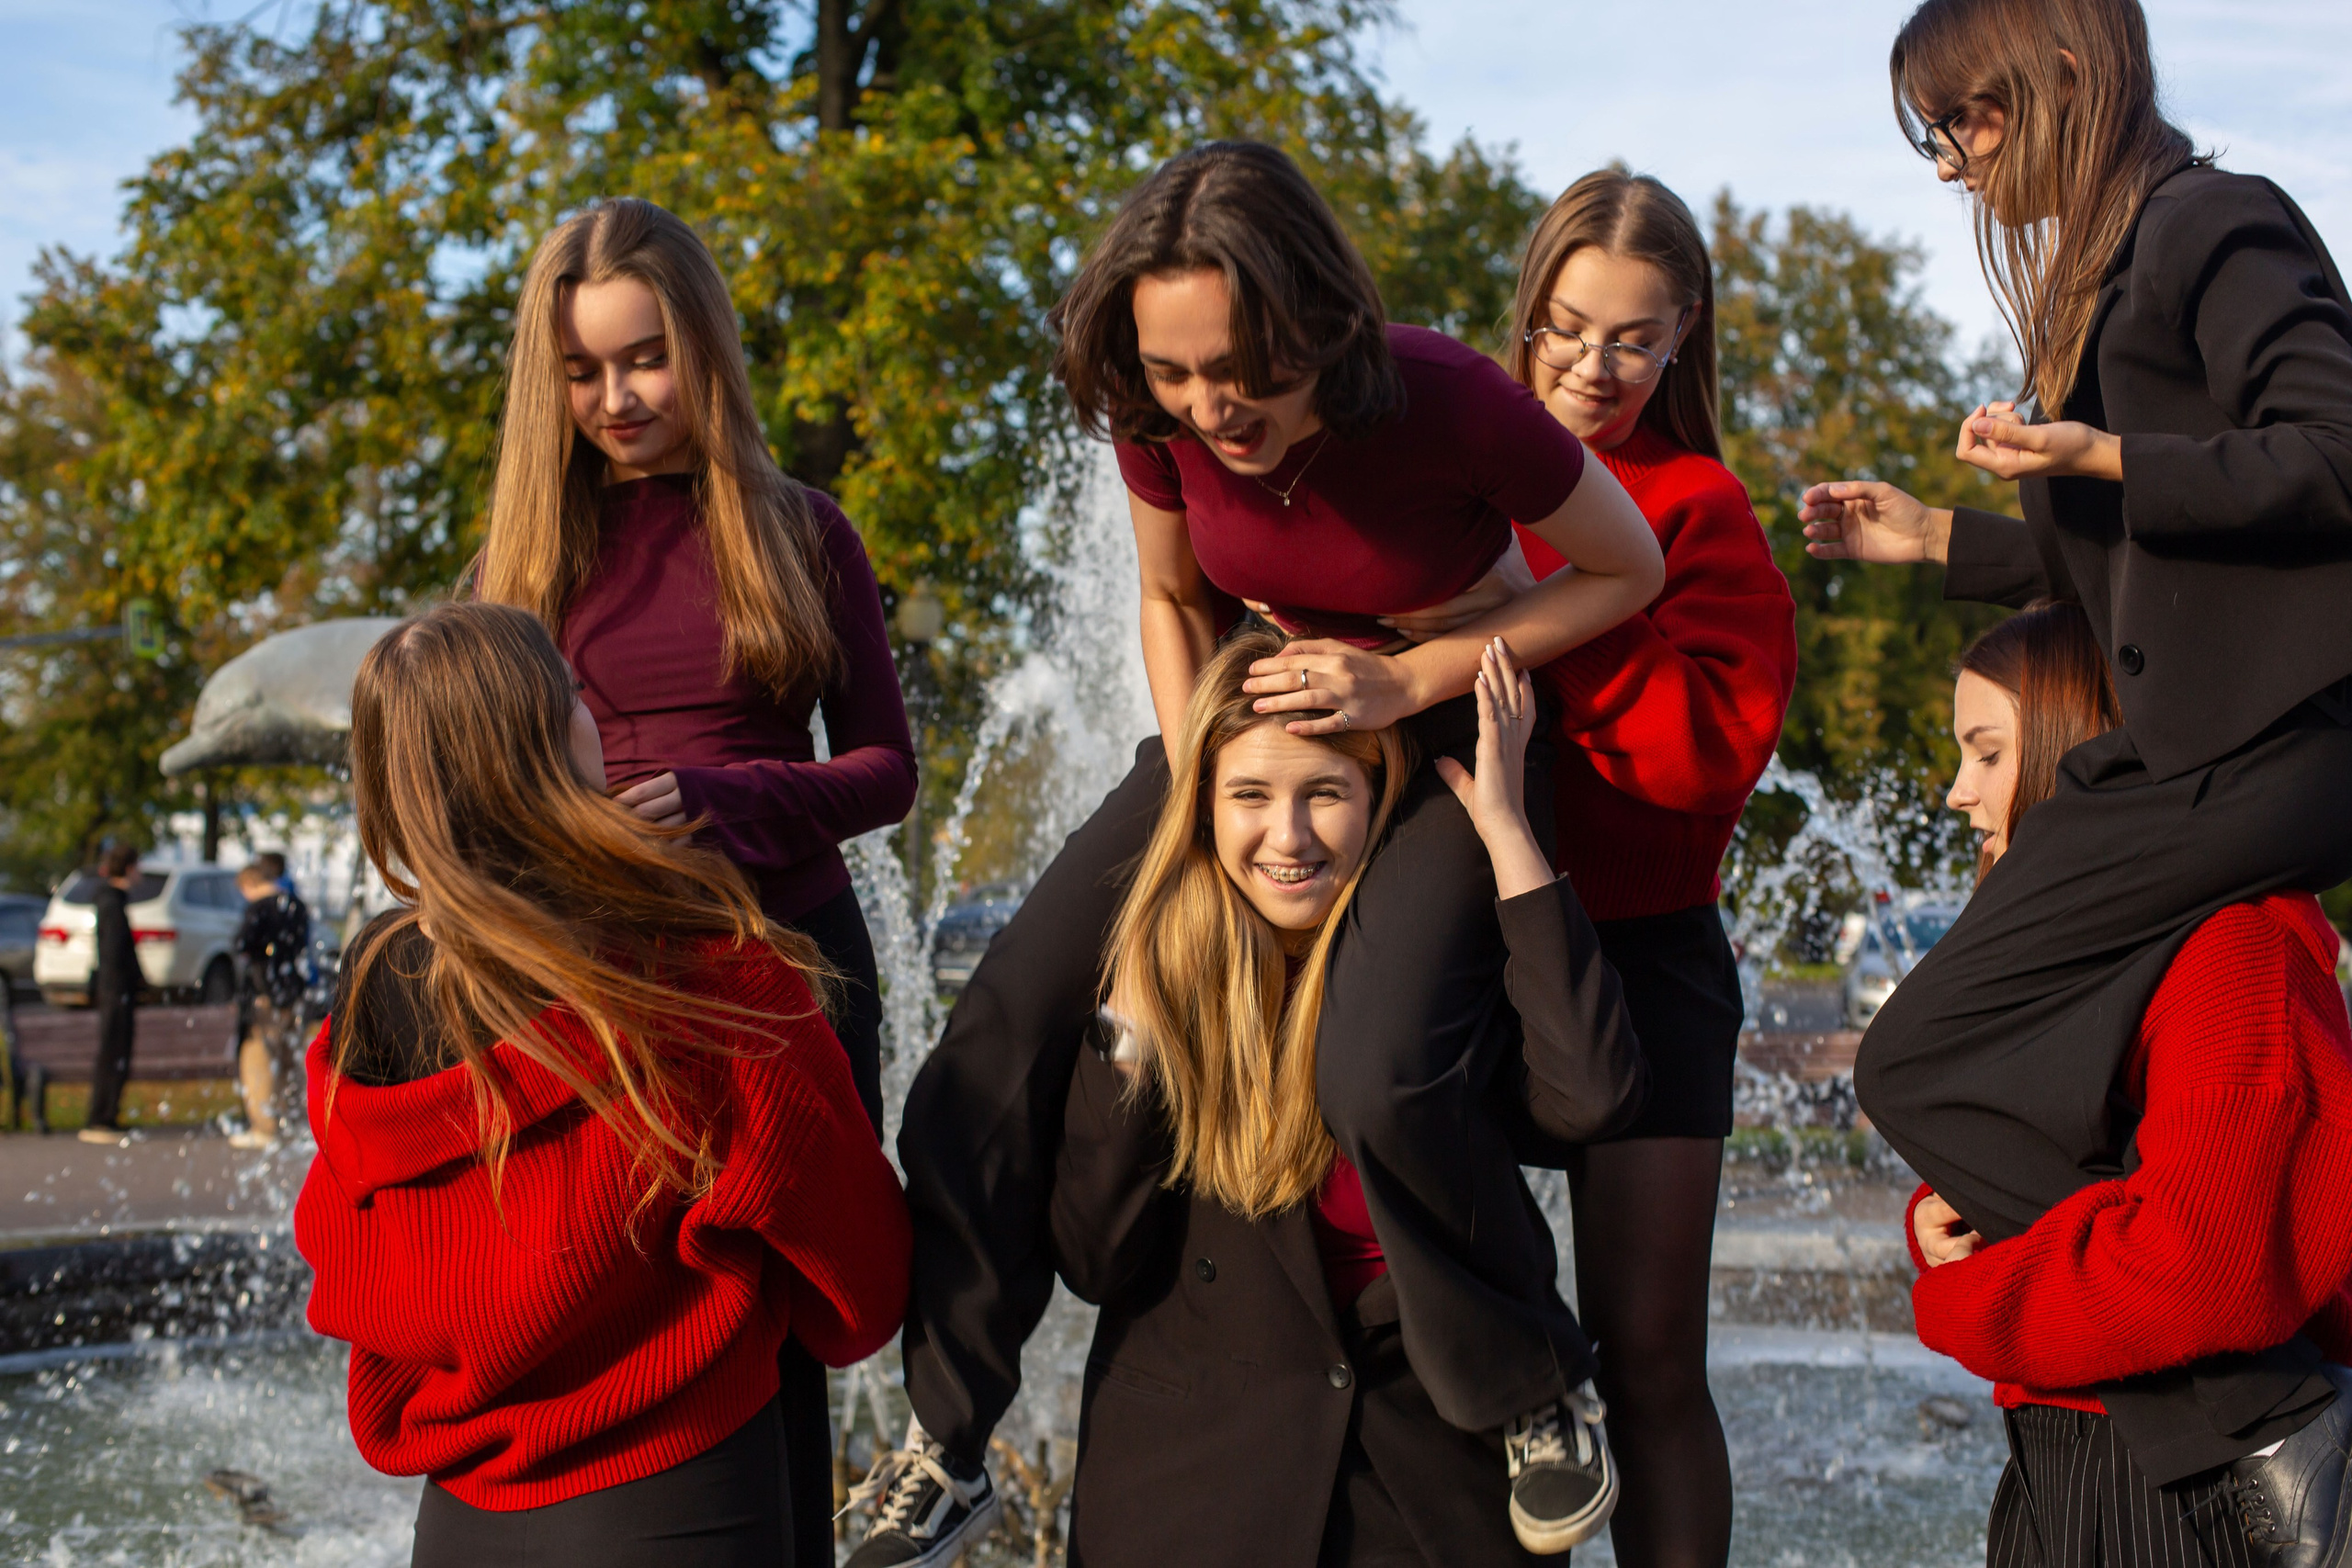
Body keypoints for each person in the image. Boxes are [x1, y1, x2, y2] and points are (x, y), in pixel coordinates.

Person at [856, 140, 1665, 1568]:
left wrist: (1401, 684)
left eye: (1239, 369)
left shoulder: (1450, 398)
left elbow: (1624, 570)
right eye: (1172, 375)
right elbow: (1173, 597)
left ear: (1318, 325)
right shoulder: (1152, 405)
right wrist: (1195, 795)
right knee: (994, 1033)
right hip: (1246, 736)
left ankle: (1533, 1385)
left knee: (1377, 1069)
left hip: (1426, 738)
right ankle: (949, 1429)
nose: (1206, 406)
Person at [1797, 0, 2352, 1494]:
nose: (1948, 164)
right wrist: (1945, 541)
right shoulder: (2109, 276)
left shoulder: (2211, 223)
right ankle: (2247, 1388)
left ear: (2060, 79)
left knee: (1922, 1053)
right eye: (1930, 133)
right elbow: (2138, 572)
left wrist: (2108, 453)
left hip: (2267, 748)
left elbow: (2336, 451)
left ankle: (2271, 1400)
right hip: (2195, 750)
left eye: (1963, 120)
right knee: (1965, 1061)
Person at [472, 195, 918, 1565]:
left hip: (789, 973)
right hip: (603, 987)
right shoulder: (516, 561)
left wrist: (731, 799)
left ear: (707, 350)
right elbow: (477, 796)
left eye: (644, 357)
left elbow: (888, 772)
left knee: (782, 1326)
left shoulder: (800, 529)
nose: (615, 397)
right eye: (582, 368)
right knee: (615, 1319)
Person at [294, 602, 909, 1567]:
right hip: (681, 1493)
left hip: (459, 1518)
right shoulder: (696, 957)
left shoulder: (375, 984)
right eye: (574, 693)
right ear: (542, 738)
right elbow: (859, 1272)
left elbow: (344, 1253)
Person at [1380, 167, 1796, 1568]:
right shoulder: (1448, 479)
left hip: (1647, 953)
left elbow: (1698, 768)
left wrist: (1566, 590)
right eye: (1564, 326)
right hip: (1469, 948)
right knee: (1464, 1360)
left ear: (1684, 334)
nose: (1590, 365)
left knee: (1653, 1361)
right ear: (1525, 315)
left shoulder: (1700, 509)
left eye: (1632, 334)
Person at [1049, 630, 1647, 1566]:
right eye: (1249, 796)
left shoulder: (1426, 981)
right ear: (1202, 810)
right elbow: (1093, 1255)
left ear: (1374, 804)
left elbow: (1591, 1098)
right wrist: (1126, 1033)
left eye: (1324, 794)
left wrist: (1504, 832)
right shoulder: (1173, 972)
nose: (1287, 837)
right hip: (1193, 1474)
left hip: (1430, 1469)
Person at [1905, 600, 2352, 1568]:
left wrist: (1968, 1301)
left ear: (2084, 750)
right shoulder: (2094, 952)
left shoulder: (2230, 950)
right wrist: (1948, 1215)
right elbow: (2051, 1154)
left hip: (2188, 1494)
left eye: (1986, 753)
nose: (1955, 793)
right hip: (2066, 1455)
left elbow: (2203, 1269)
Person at [230, 853, 310, 1151]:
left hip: (264, 995)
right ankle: (294, 1122)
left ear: (250, 883)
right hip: (293, 992)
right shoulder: (296, 905)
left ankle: (265, 1127)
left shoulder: (259, 909)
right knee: (290, 1057)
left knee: (258, 1058)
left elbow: (242, 946)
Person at [80, 841, 141, 1146]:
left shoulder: (112, 900)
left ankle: (107, 1113)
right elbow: (115, 951)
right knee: (112, 1050)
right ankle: (100, 1116)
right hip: (116, 989)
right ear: (129, 868)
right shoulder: (112, 903)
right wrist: (132, 981)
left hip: (114, 987)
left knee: (115, 1050)